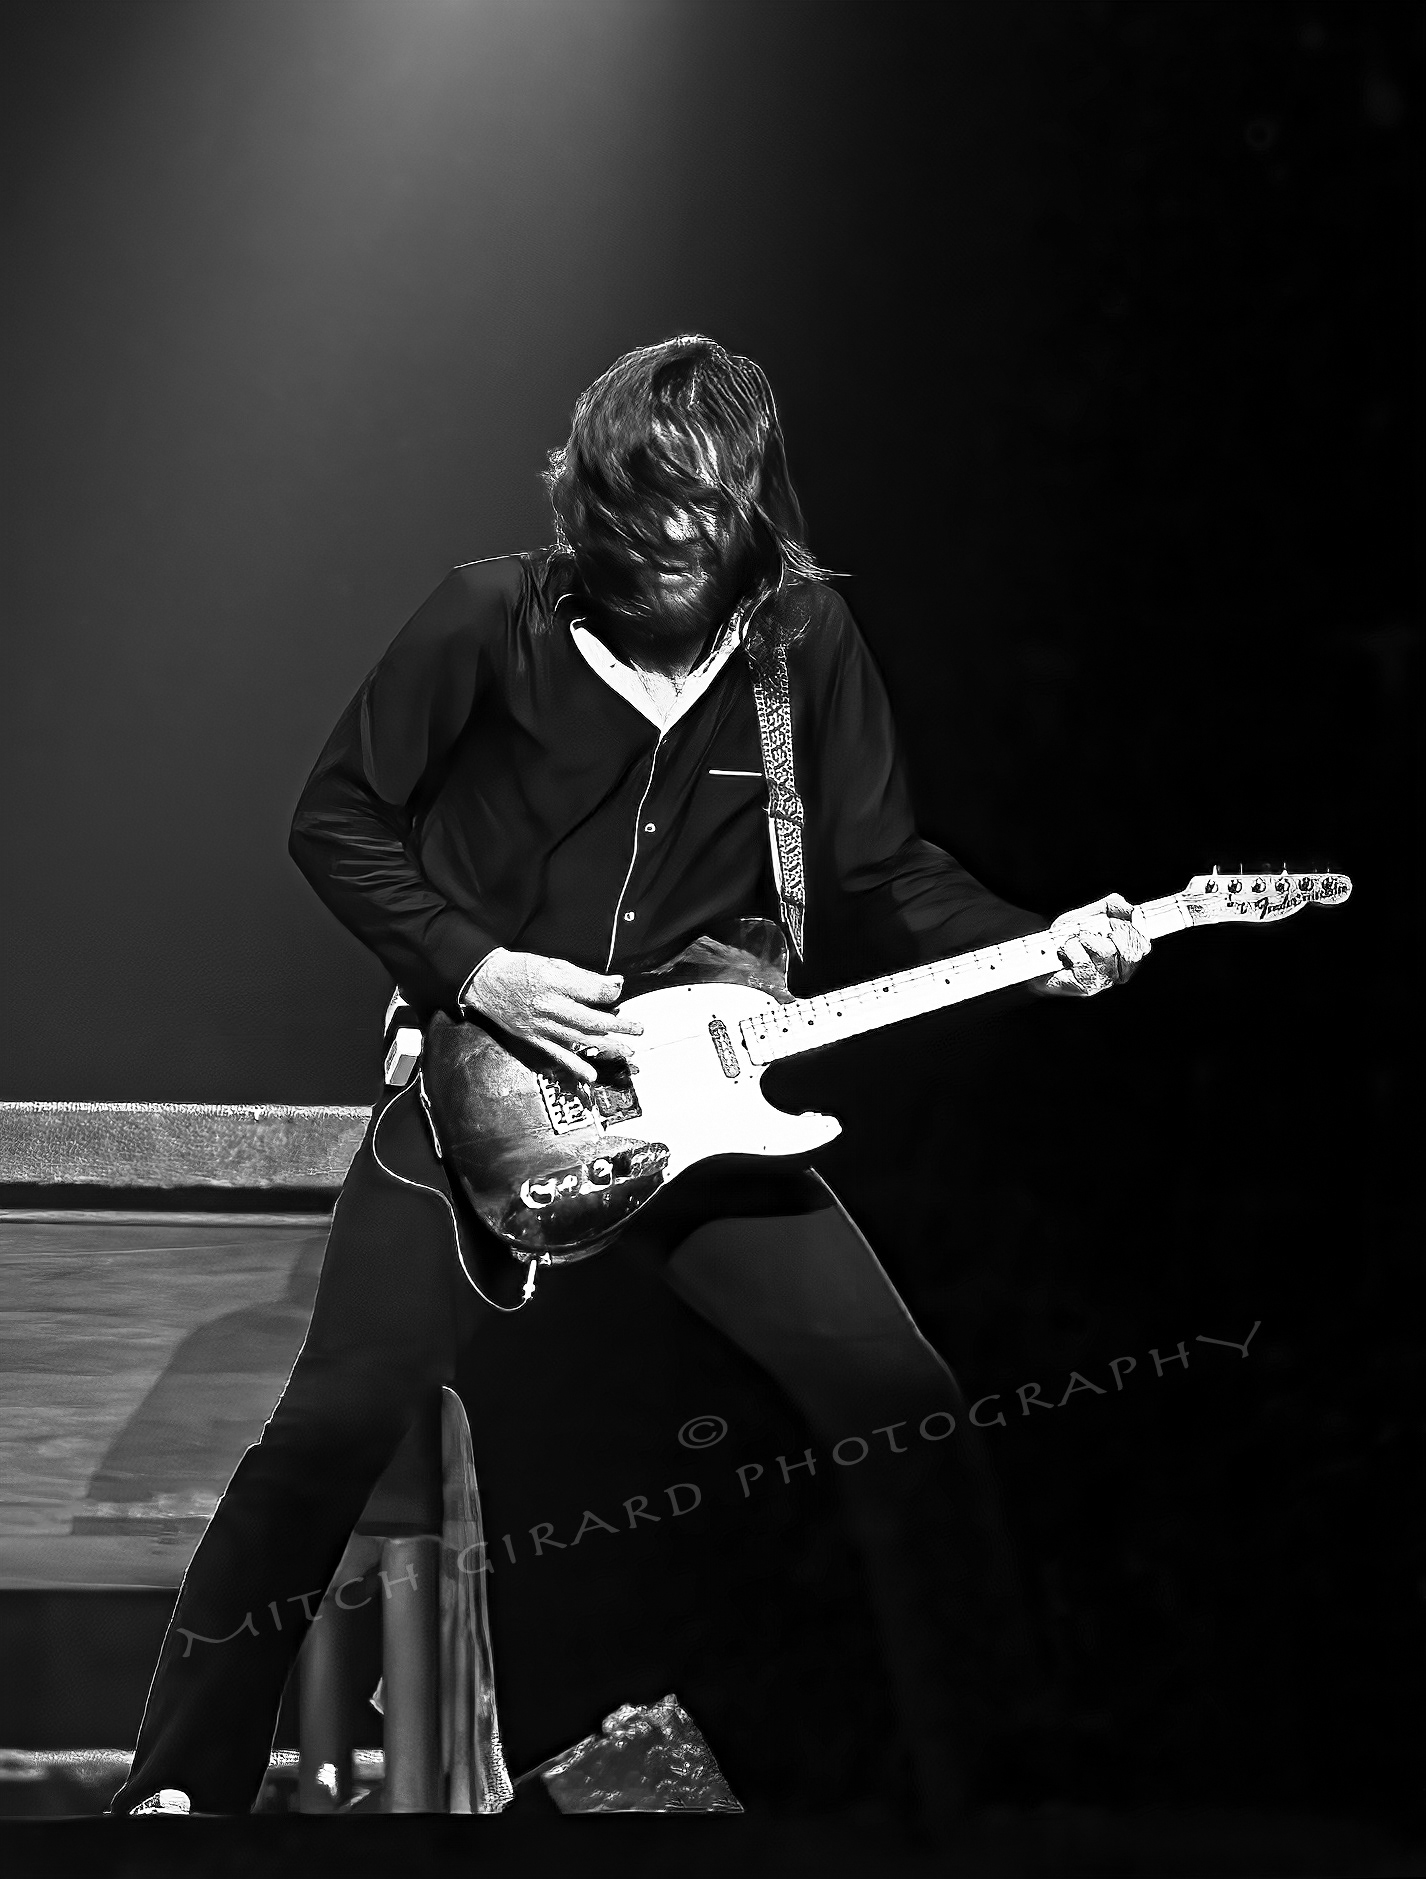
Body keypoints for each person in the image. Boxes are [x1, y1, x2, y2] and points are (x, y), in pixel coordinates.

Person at [111, 335, 1148, 1821]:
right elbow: (336, 819)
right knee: (336, 1418)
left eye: (705, 507)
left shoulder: (801, 645)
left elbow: (882, 869)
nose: (670, 538)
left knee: (902, 1398)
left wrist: (1037, 946)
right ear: (586, 500)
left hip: (702, 1104)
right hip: (485, 1096)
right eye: (639, 505)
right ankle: (176, 1799)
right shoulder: (487, 615)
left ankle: (996, 1800)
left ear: (751, 502)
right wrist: (477, 969)